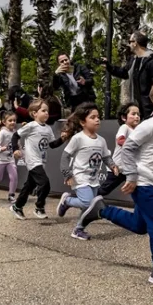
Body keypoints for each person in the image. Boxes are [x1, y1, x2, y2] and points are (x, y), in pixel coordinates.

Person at [76, 79, 153, 288]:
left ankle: (102, 211)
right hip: (144, 182)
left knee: (140, 225)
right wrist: (133, 177)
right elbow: (127, 150)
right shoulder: (150, 125)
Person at [56, 102, 118, 241]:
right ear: (83, 122)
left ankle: (78, 229)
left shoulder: (101, 140)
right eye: (93, 117)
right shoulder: (78, 138)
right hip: (80, 177)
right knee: (87, 203)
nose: (97, 120)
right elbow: (65, 157)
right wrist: (67, 173)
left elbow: (105, 157)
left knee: (88, 208)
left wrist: (113, 165)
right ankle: (67, 201)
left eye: (98, 117)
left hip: (94, 180)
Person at [8, 99, 66, 220]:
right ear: (34, 113)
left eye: (47, 111)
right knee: (45, 184)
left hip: (41, 161)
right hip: (32, 160)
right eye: (43, 110)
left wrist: (62, 139)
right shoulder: (31, 126)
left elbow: (52, 145)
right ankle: (39, 207)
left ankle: (17, 206)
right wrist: (15, 149)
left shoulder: (48, 129)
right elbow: (15, 135)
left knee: (29, 186)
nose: (46, 113)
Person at [103, 31, 153, 119]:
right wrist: (108, 66)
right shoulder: (133, 60)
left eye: (130, 41)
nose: (129, 44)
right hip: (136, 108)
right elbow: (124, 73)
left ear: (135, 43)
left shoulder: (152, 62)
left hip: (149, 110)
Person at [98, 102, 140, 197]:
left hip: (130, 169)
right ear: (124, 117)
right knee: (104, 190)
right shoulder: (124, 127)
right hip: (118, 168)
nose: (137, 116)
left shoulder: (137, 131)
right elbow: (120, 140)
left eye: (138, 114)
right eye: (133, 114)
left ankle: (144, 208)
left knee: (138, 189)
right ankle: (87, 201)